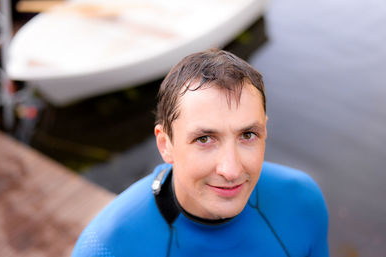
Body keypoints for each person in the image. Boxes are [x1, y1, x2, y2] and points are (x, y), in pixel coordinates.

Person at [72, 49, 329, 257]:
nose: (231, 170)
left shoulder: (302, 201)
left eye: (247, 135)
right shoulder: (107, 247)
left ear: (265, 131)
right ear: (166, 145)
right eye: (204, 139)